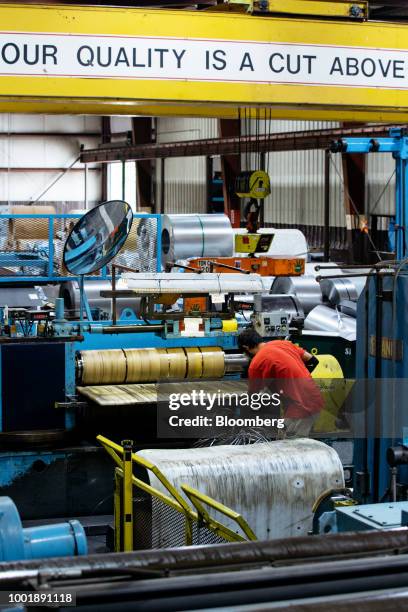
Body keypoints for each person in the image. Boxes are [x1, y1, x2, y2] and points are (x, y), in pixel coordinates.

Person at [238, 328, 324, 437]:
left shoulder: (256, 364)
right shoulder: (284, 344)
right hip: (315, 398)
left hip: (300, 408)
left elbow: (252, 397)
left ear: (246, 347)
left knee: (288, 447)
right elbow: (313, 360)